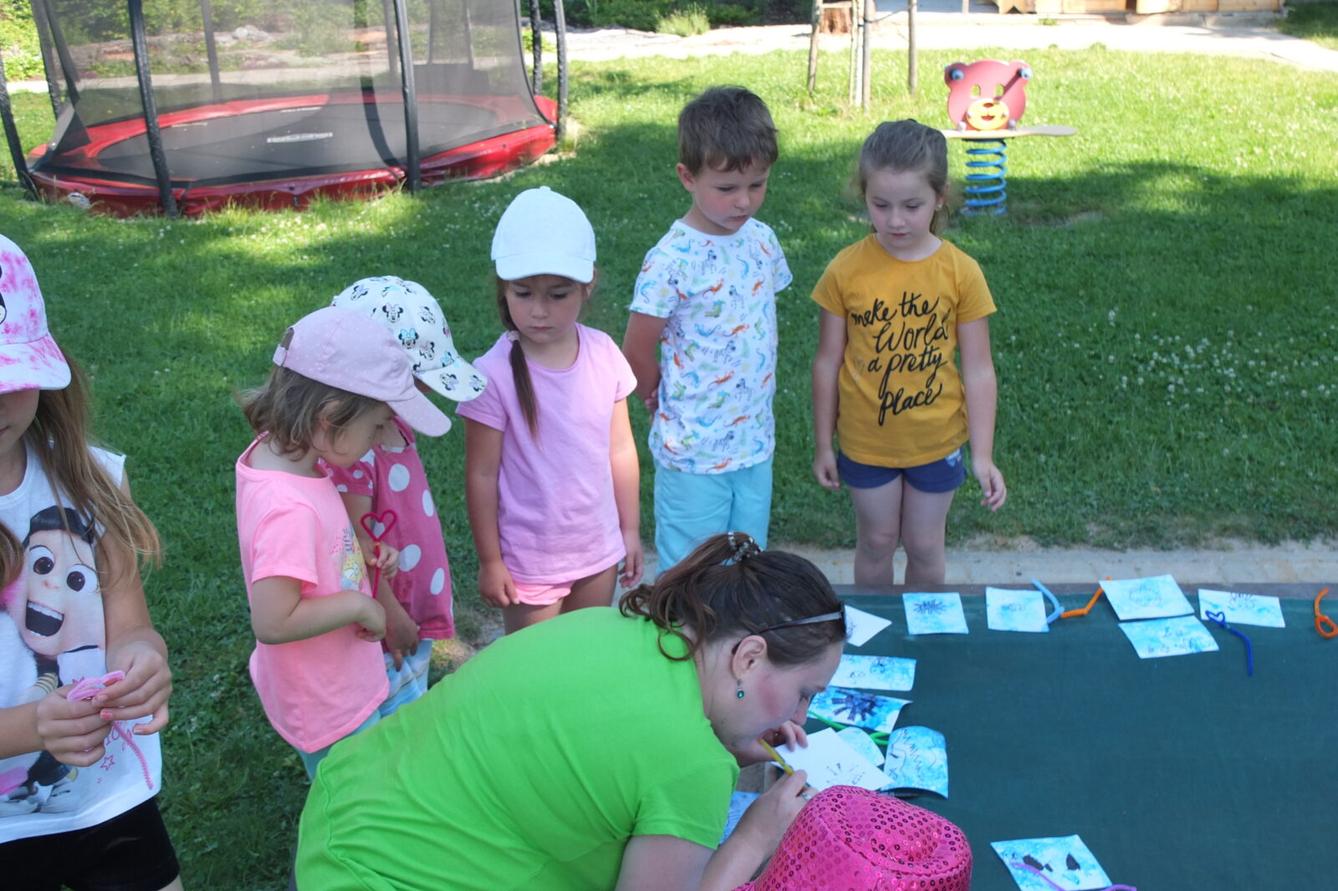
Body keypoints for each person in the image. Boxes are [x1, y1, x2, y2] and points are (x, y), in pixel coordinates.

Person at [295, 532, 848, 891]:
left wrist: (728, 738)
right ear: (748, 657)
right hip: (383, 878)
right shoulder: (692, 765)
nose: (803, 712)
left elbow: (619, 747)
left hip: (345, 809)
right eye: (805, 692)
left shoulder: (617, 625)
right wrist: (754, 836)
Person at [0, 236, 181, 890]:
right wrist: (30, 727)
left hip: (106, 794)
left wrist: (142, 661)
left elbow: (130, 624)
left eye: (7, 378)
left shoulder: (90, 480)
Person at [235, 305, 450, 777]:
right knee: (359, 810)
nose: (382, 438)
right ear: (331, 419)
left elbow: (312, 551)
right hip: (327, 704)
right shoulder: (287, 507)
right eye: (377, 425)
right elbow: (273, 619)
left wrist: (360, 556)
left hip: (337, 678)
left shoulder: (288, 464)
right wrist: (359, 605)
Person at [811, 120, 1006, 587]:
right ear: (865, 197)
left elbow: (978, 371)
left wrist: (982, 455)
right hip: (865, 443)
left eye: (912, 206)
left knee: (924, 546)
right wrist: (822, 443)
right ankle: (878, 638)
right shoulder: (845, 269)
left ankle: (924, 638)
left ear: (940, 197)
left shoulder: (962, 272)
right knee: (876, 541)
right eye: (880, 205)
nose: (895, 220)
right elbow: (826, 362)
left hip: (936, 441)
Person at [459, 186, 643, 634]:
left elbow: (620, 450)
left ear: (588, 285)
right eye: (523, 294)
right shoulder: (492, 374)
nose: (539, 311)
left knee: (583, 661)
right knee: (533, 677)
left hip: (597, 551)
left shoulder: (603, 354)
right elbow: (481, 474)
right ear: (503, 288)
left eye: (558, 295)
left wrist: (631, 531)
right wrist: (490, 561)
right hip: (528, 563)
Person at [622, 85, 791, 572]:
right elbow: (637, 347)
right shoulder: (671, 260)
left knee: (747, 562)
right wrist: (653, 395)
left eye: (756, 185)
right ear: (687, 177)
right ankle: (688, 644)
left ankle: (734, 645)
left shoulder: (762, 240)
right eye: (727, 188)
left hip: (754, 443)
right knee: (691, 570)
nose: (744, 201)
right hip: (693, 451)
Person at [325, 275, 487, 713]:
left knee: (412, 703)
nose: (430, 390)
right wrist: (390, 615)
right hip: (384, 621)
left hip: (410, 603)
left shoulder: (393, 425)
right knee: (391, 721)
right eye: (420, 381)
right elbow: (354, 546)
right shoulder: (354, 451)